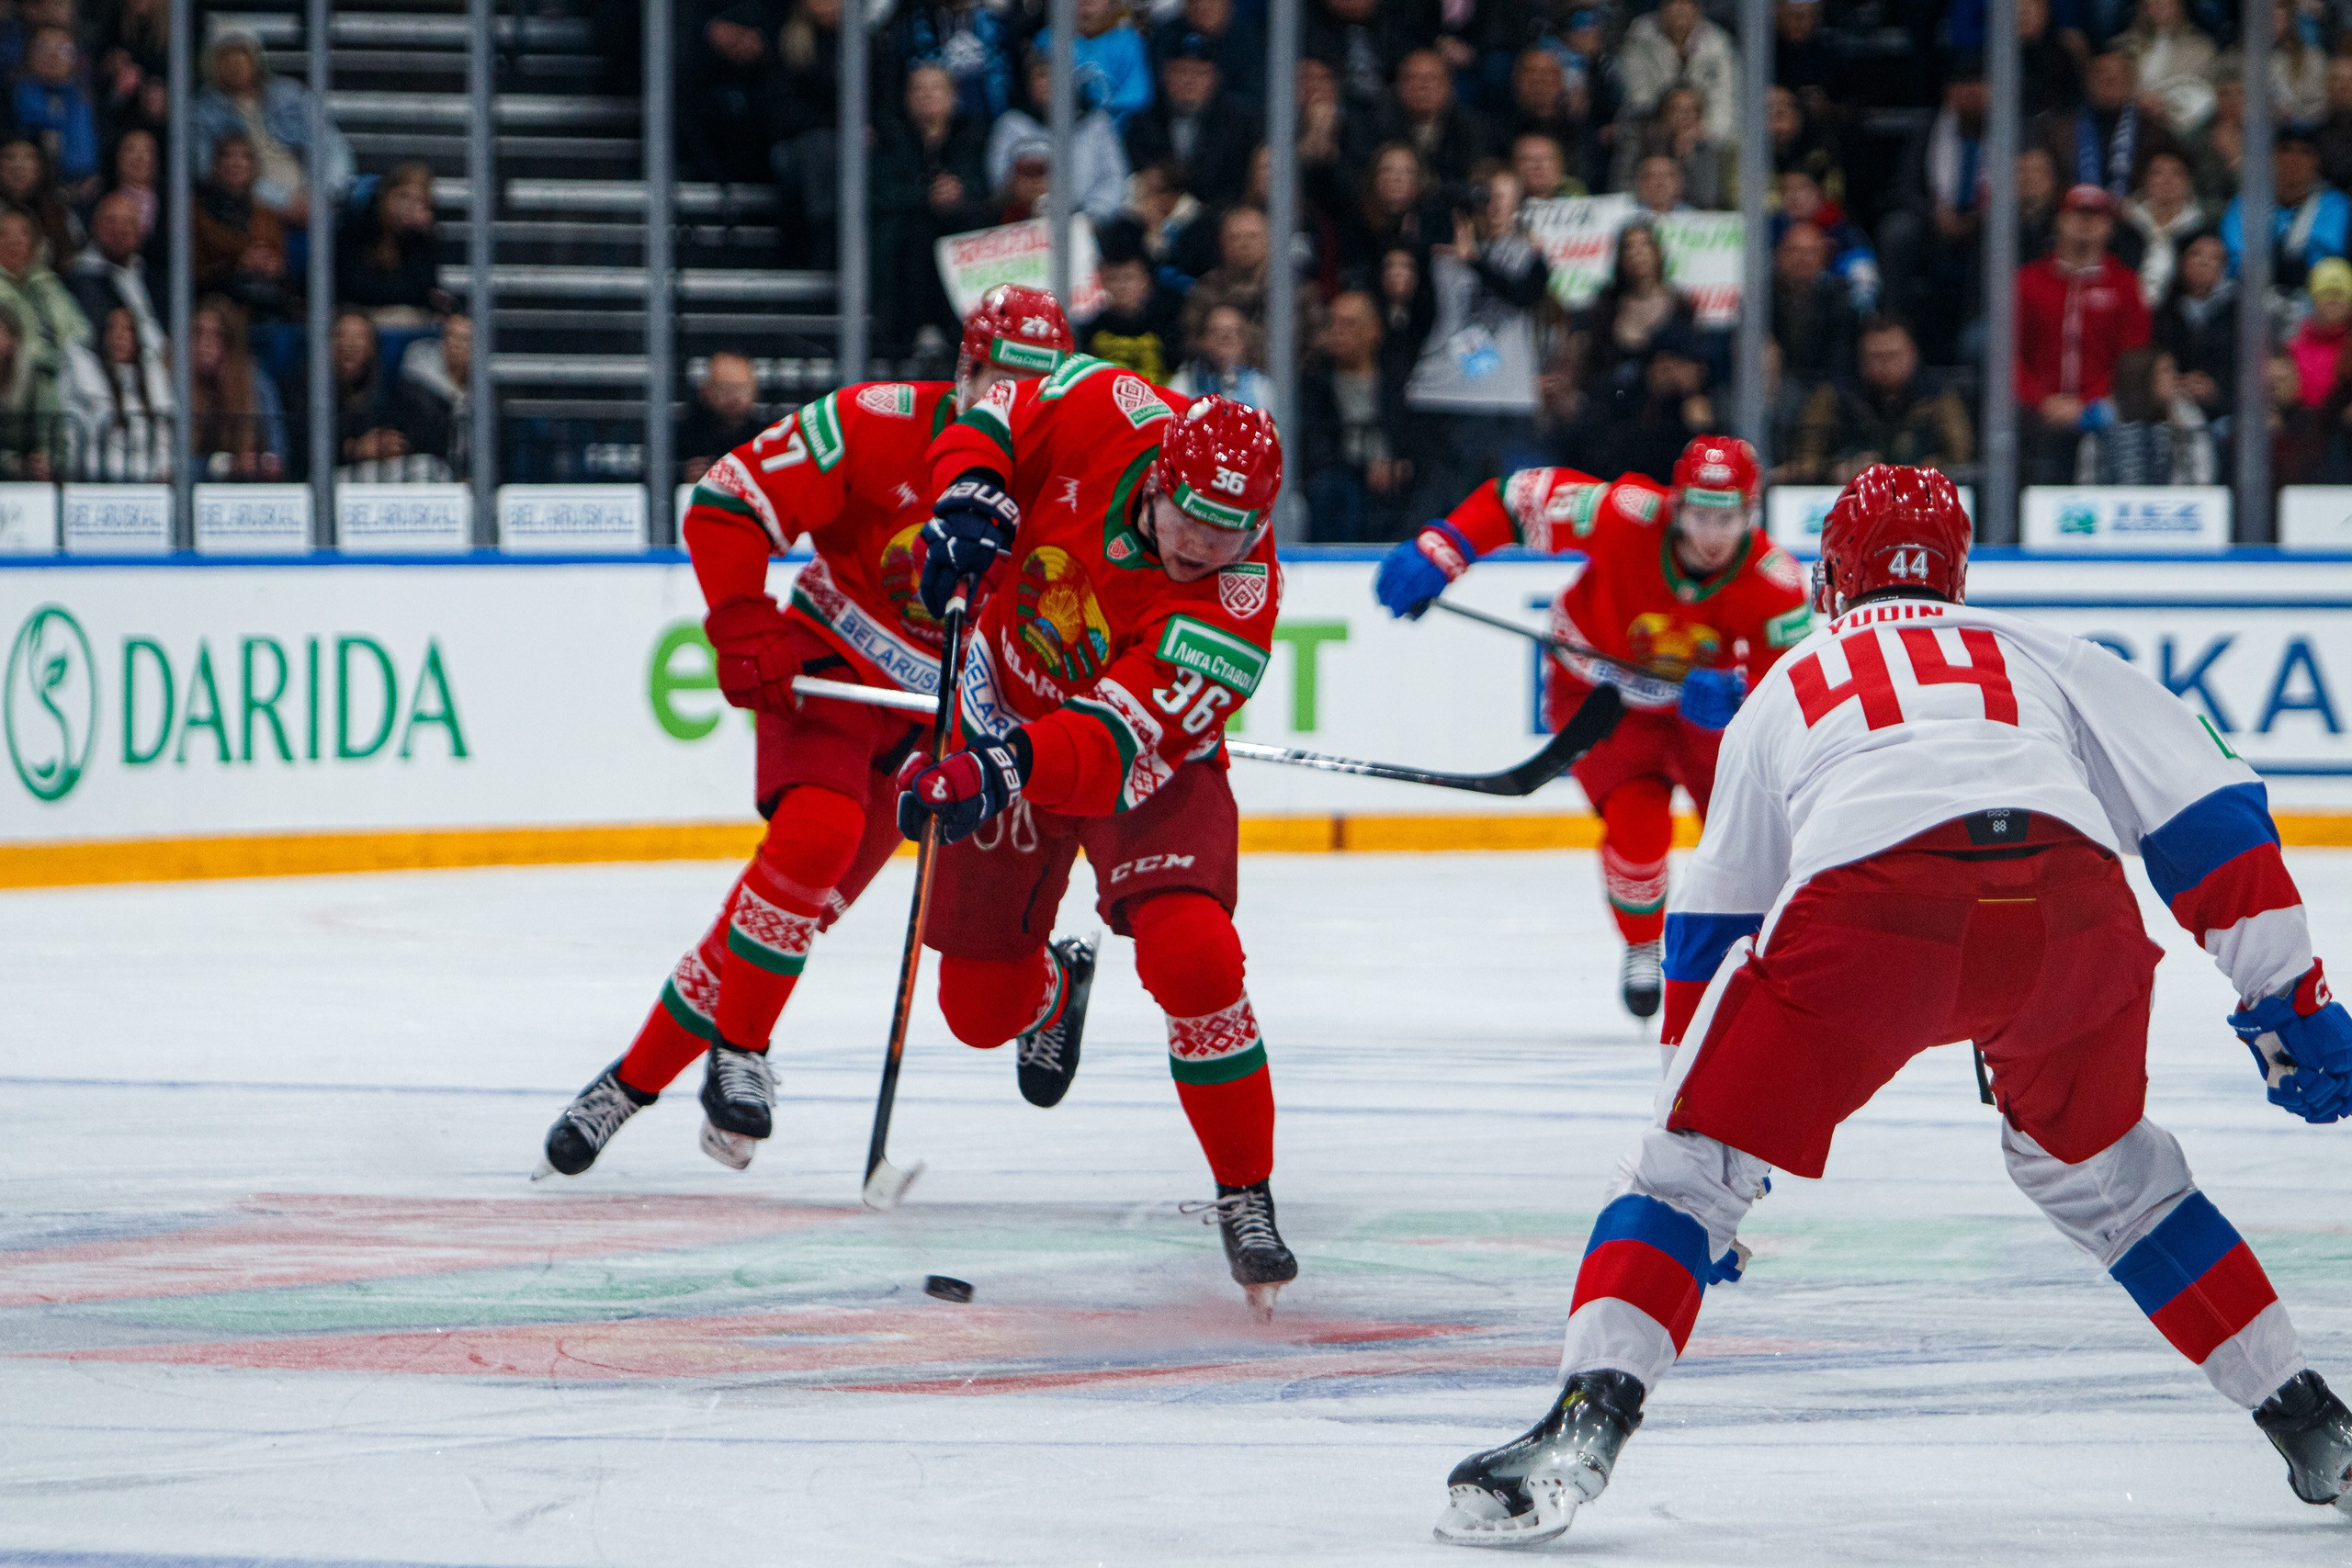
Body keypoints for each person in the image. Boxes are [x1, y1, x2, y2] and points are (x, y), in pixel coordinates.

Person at [1430, 464, 2352, 1549]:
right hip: (2070, 916)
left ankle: (1582, 1431)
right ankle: (2315, 1428)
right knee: (2114, 1180)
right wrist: (2287, 998)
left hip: (1874, 914)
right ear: (1957, 571)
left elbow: (1714, 928)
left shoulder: (1787, 683)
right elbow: (2210, 817)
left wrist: (1710, 1145)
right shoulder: (2037, 651)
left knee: (1674, 1180)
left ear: (1831, 574)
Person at [539, 286, 1077, 1179]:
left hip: (939, 720)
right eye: (997, 383)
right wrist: (744, 619)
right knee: (811, 840)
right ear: (962, 372)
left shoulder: (1068, 483)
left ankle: (629, 1083)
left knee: (783, 917)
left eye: (1035, 389)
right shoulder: (874, 421)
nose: (1011, 406)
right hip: (832, 668)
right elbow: (727, 498)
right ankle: (738, 1051)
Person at [899, 372, 1295, 1315]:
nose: (1205, 544)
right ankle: (1051, 992)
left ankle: (1244, 1190)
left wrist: (988, 771)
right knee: (978, 1013)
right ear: (1158, 479)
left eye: (1231, 531)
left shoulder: (1239, 604)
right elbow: (991, 403)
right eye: (1192, 516)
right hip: (1005, 708)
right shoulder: (1106, 407)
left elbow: (1106, 747)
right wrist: (971, 486)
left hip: (1142, 766)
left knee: (1195, 956)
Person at [1373, 436, 1812, 1019]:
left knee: (1748, 840)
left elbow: (1798, 686)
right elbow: (1517, 500)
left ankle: (1763, 953)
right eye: (1700, 515)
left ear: (1750, 514)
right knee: (1637, 830)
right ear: (1675, 506)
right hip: (1602, 696)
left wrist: (1742, 693)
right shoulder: (1624, 512)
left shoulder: (1776, 582)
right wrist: (1443, 548)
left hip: (1709, 723)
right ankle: (1640, 944)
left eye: (1726, 518)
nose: (1711, 535)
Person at [2018, 184, 2152, 483]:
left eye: (2096, 217)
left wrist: (2089, 403)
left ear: (2109, 226)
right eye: (2076, 215)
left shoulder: (2126, 286)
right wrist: (2041, 401)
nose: (2085, 224)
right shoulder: (2027, 282)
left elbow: (2134, 357)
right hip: (2036, 414)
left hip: (2103, 412)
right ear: (2059, 221)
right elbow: (2009, 353)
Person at [191, 25, 353, 229]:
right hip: (248, 208)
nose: (236, 62)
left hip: (313, 197)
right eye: (226, 56)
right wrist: (282, 201)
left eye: (242, 53)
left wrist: (321, 194)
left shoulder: (291, 94)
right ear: (212, 63)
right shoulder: (202, 111)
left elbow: (333, 146)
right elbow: (206, 169)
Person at [1791, 315, 1974, 484]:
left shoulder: (1938, 396)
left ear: (1912, 355)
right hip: (1848, 498)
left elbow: (1962, 458)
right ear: (1860, 359)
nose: (1884, 366)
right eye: (1875, 357)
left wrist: (1919, 471)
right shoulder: (1832, 396)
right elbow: (1806, 460)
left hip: (1921, 497)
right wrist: (1838, 469)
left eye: (1893, 355)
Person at [1299, 288, 1412, 542]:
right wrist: (1362, 470)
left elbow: (1414, 436)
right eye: (1333, 323)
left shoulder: (1398, 383)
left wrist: (1401, 464)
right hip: (1343, 477)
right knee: (1331, 491)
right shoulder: (1315, 383)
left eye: (1348, 324)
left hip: (1395, 479)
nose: (1337, 332)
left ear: (1374, 330)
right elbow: (1315, 448)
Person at [990, 47, 1131, 224]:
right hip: (1025, 223)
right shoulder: (1011, 124)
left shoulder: (1097, 124)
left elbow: (1114, 179)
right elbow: (999, 179)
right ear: (1028, 83)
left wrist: (1091, 217)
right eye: (1041, 75)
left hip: (1092, 222)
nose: (1049, 82)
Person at [1121, 31, 1256, 210]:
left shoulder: (1238, 122)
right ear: (1165, 75)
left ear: (1214, 79)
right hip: (1158, 214)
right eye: (1181, 71)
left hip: (1219, 217)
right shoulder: (1144, 121)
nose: (1190, 81)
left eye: (1200, 73)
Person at [2222, 130, 2350, 292]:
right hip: (2251, 296)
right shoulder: (2246, 202)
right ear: (2271, 158)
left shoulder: (2336, 205)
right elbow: (2235, 260)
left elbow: (2328, 259)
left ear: (2316, 162)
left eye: (2304, 152)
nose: (2294, 159)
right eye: (2285, 149)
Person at [62, 302, 171, 480]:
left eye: (127, 330)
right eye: (113, 329)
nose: (119, 337)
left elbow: (163, 437)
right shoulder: (89, 378)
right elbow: (86, 438)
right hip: (101, 478)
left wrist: (163, 468)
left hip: (149, 480)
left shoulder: (153, 379)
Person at [2076, 343, 2213, 483]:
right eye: (2166, 371)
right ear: (2142, 376)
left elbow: (2199, 477)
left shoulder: (2187, 419)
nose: (2175, 377)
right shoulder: (2104, 420)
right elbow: (2089, 480)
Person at [192, 132, 292, 321]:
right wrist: (241, 261)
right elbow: (194, 269)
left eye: (244, 156)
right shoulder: (196, 211)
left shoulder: (267, 214)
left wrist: (273, 265)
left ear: (254, 166)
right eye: (227, 155)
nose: (235, 163)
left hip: (264, 298)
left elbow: (280, 262)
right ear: (214, 165)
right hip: (212, 298)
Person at [187, 295, 286, 480]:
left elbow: (278, 451)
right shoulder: (173, 383)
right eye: (198, 334)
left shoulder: (257, 384)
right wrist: (218, 466)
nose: (206, 344)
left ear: (231, 341)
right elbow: (169, 463)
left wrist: (259, 462)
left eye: (217, 335)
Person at [1618, 0, 1739, 144]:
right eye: (1673, 3)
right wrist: (1669, 132)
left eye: (1687, 3)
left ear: (1698, 9)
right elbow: (1640, 99)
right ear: (1661, 8)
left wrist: (1705, 134)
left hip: (1705, 136)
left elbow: (1723, 101)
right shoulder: (1640, 39)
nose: (1680, 8)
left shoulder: (1718, 44)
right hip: (1652, 136)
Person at [336, 163, 447, 319]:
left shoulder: (420, 236)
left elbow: (422, 291)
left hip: (399, 315)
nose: (409, 206)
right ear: (387, 193)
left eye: (419, 200)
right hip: (354, 312)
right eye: (404, 196)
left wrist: (427, 237)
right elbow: (352, 286)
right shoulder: (359, 224)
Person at [2153, 230, 2235, 427]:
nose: (2204, 262)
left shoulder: (2238, 314)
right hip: (2169, 411)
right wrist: (2173, 383)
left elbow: (2246, 371)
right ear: (2181, 261)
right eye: (2196, 254)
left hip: (2224, 415)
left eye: (2214, 258)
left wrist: (2216, 390)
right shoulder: (2163, 312)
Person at [64, 190, 162, 353]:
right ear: (95, 226)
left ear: (139, 230)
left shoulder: (152, 276)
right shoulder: (80, 280)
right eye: (111, 221)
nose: (119, 230)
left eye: (127, 223)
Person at [14, 25, 97, 194]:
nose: (53, 56)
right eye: (43, 48)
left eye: (63, 49)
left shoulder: (85, 101)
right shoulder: (12, 97)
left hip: (79, 188)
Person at [1082, 243, 1183, 382]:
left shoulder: (1165, 328)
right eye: (1113, 278)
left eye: (1129, 277)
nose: (1122, 286)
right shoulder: (1089, 331)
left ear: (1145, 281)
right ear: (1102, 281)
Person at [2121, 148, 2208, 307]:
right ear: (2145, 180)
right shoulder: (2126, 228)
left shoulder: (2200, 232)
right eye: (2157, 173)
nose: (2166, 180)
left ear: (2188, 181)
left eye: (2176, 173)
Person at [677, 351, 764, 484]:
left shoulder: (764, 438)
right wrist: (683, 478)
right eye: (725, 389)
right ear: (706, 390)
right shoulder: (683, 437)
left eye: (741, 388)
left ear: (755, 391)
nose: (734, 397)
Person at [1171, 301, 1272, 407]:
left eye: (1234, 332)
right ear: (1202, 340)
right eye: (1217, 332)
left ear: (1245, 340)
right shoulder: (1184, 384)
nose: (1225, 338)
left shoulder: (1262, 389)